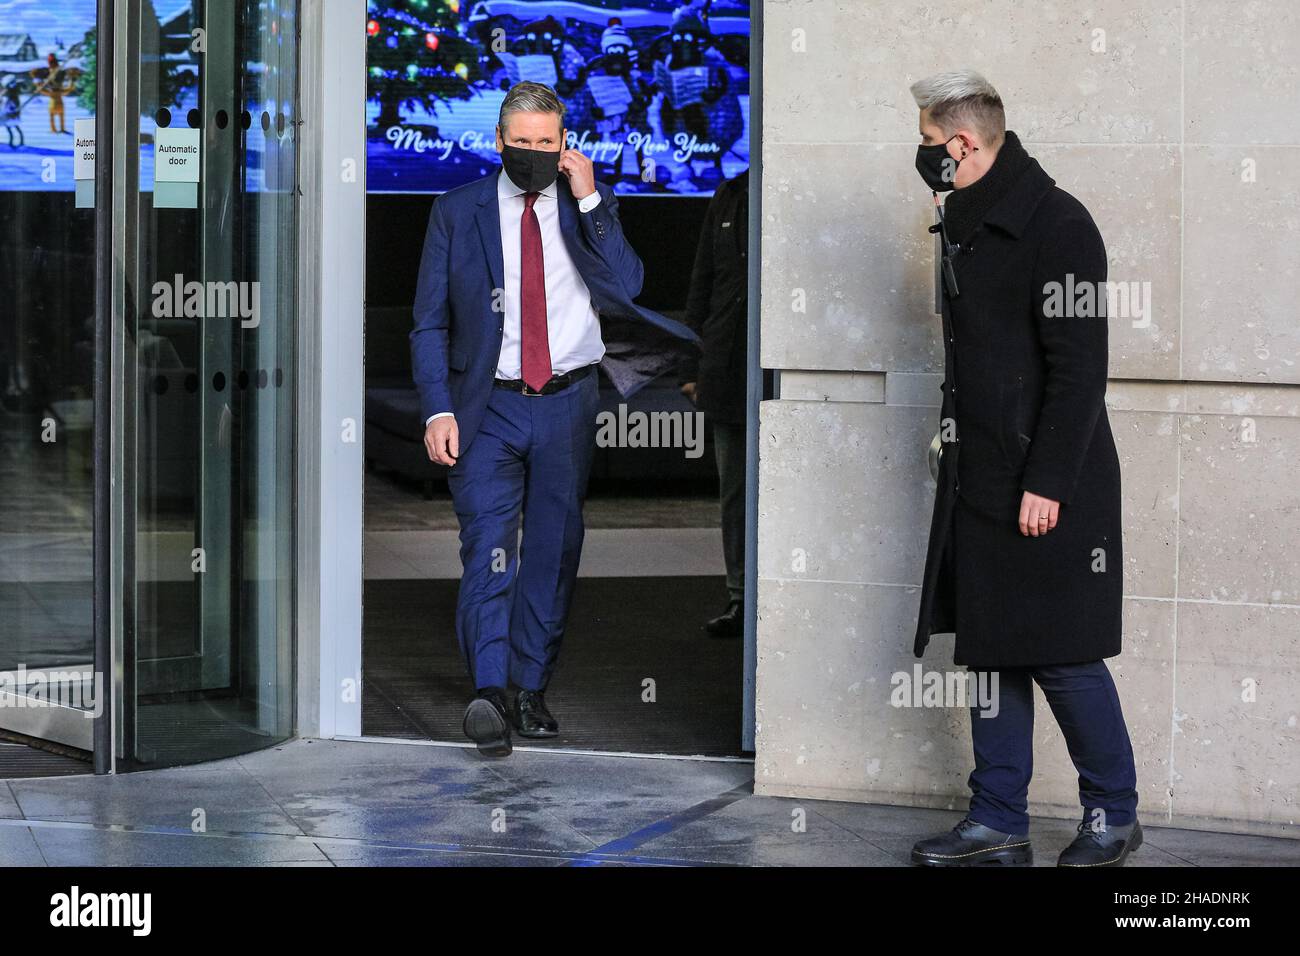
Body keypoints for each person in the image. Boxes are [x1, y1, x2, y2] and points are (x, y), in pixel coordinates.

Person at [411, 81, 698, 757]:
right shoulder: (458, 211)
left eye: (549, 143)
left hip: (569, 402)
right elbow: (428, 322)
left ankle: (528, 689)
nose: (536, 153)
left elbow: (627, 284)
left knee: (553, 548)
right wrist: (437, 409)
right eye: (524, 143)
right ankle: (487, 691)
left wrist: (592, 196)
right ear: (499, 142)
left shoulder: (585, 206)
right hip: (488, 405)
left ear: (565, 145)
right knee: (488, 546)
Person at [907, 70, 1140, 867]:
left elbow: (1080, 372)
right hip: (979, 474)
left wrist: (1047, 483)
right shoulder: (966, 221)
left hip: (1046, 479)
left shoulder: (1060, 225)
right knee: (988, 650)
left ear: (962, 143)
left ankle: (1114, 813)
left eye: (930, 143)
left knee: (1064, 651)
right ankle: (997, 816)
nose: (925, 155)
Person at [680, 169, 747, 636]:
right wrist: (690, 367)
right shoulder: (730, 194)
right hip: (726, 370)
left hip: (783, 376)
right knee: (736, 495)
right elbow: (702, 280)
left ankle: (778, 597)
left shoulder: (789, 188)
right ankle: (740, 599)